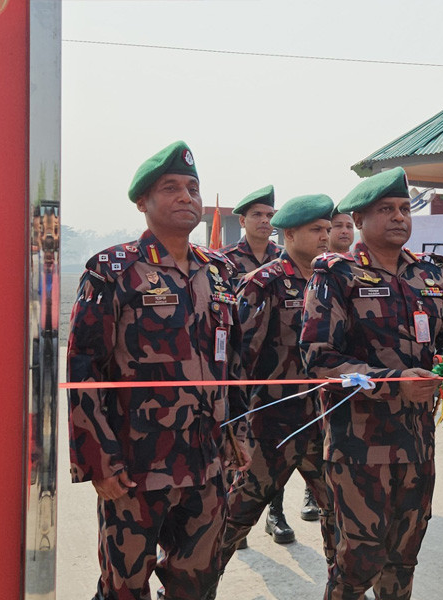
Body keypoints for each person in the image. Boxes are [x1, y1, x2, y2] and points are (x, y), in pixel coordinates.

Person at [67, 140, 250, 600]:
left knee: (197, 583)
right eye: (171, 188)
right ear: (142, 202)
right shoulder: (113, 269)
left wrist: (240, 433)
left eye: (193, 188)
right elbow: (85, 367)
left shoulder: (220, 271)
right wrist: (98, 460)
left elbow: (235, 363)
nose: (186, 196)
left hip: (207, 462)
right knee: (124, 586)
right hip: (136, 466)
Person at [300, 167, 443, 600]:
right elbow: (319, 358)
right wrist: (394, 383)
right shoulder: (336, 275)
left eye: (404, 209)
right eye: (386, 209)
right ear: (358, 220)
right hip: (359, 448)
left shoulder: (429, 275)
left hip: (418, 445)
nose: (399, 217)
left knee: (403, 560)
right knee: (358, 562)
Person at [218, 194, 338, 575]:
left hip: (323, 425)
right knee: (232, 518)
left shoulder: (333, 282)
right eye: (316, 230)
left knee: (341, 515)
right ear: (289, 234)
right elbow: (238, 363)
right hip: (270, 427)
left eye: (327, 229)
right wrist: (234, 430)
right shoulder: (263, 284)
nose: (325, 236)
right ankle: (191, 585)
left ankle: (344, 585)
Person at [220, 185, 310, 539]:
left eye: (270, 215)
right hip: (247, 370)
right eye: (256, 214)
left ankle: (276, 514)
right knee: (246, 456)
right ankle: (232, 522)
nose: (264, 220)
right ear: (242, 221)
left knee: (280, 455)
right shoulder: (226, 261)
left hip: (285, 371)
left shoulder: (287, 256)